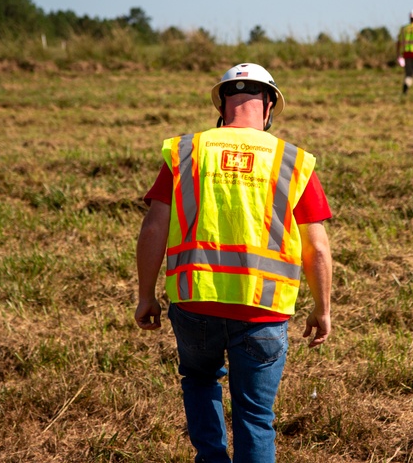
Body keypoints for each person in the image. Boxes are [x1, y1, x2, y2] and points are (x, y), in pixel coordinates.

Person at [135, 62, 333, 463]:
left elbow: (153, 227)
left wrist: (145, 295)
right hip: (263, 310)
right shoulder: (291, 160)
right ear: (270, 104)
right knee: (256, 417)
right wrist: (323, 309)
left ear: (222, 105)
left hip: (196, 303)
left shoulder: (187, 150)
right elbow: (318, 246)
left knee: (200, 380)